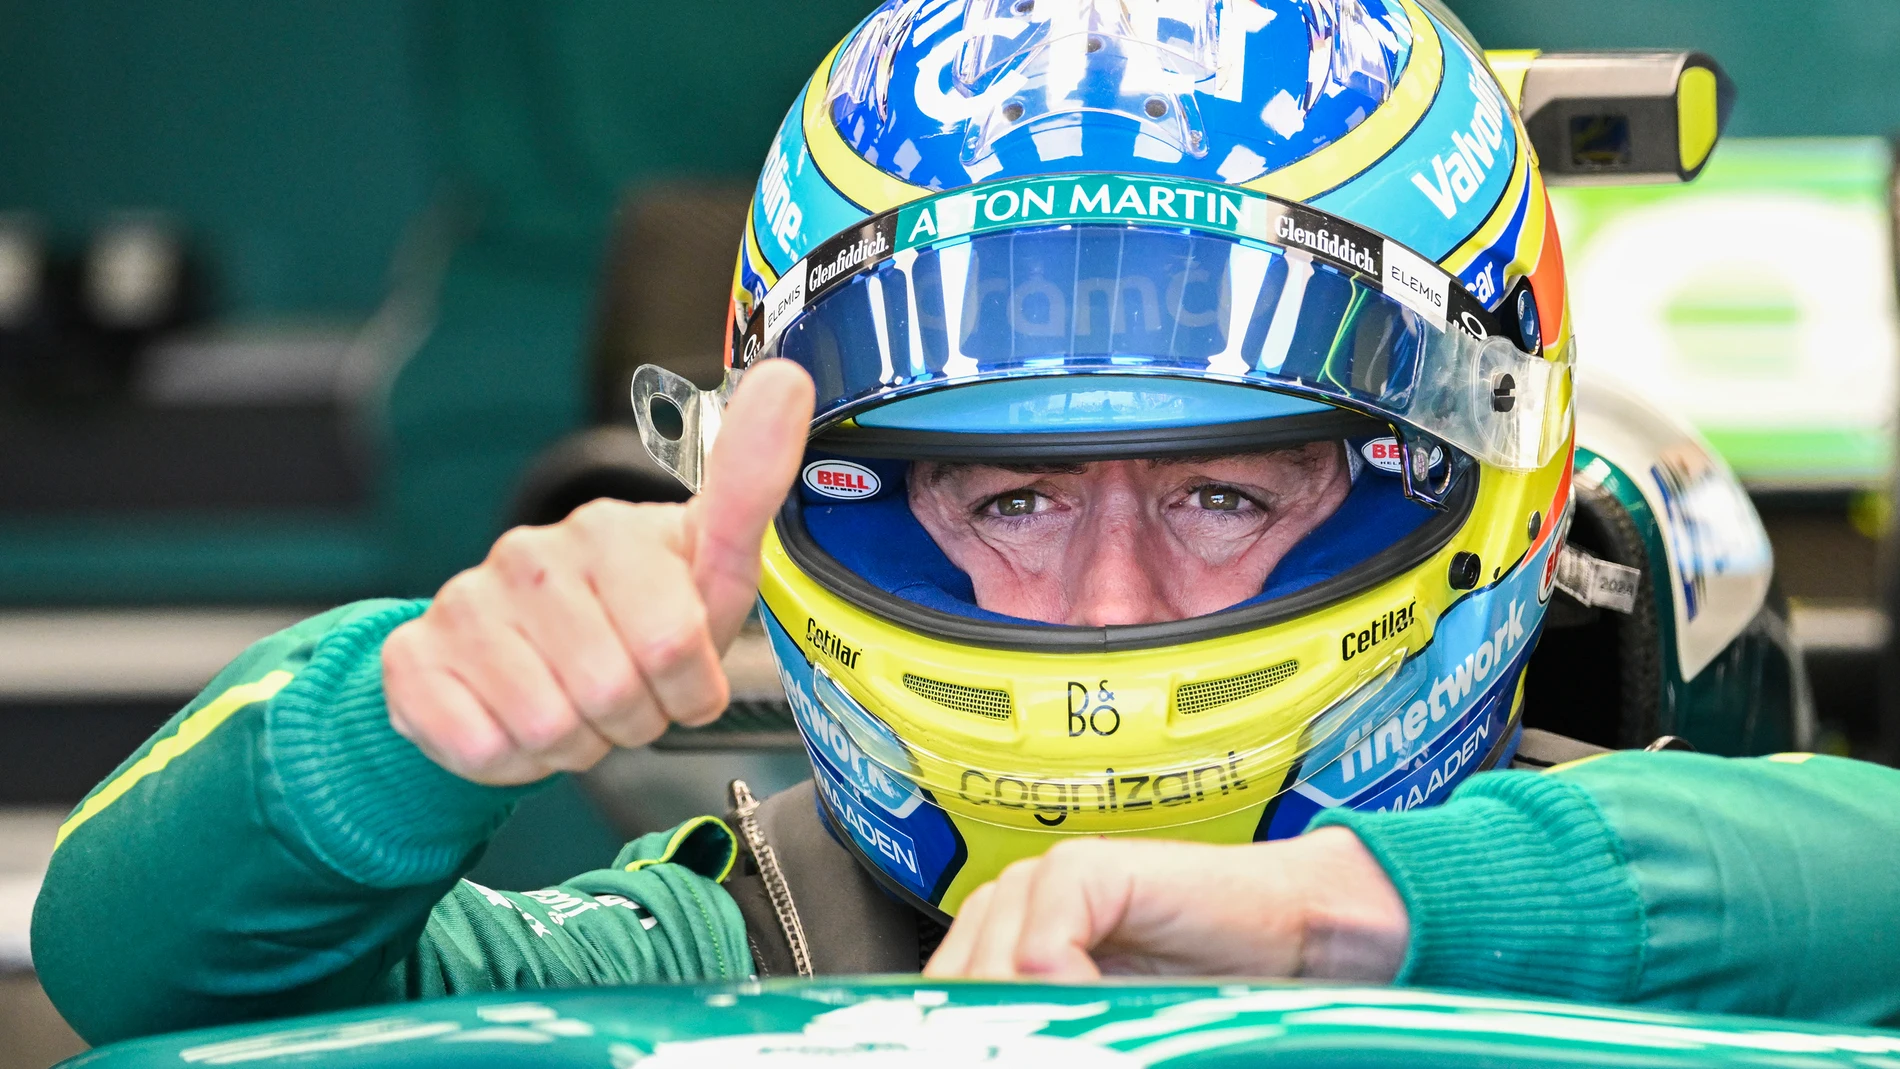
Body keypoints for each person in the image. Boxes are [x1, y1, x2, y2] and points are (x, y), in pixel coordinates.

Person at [34, 0, 1890, 1046]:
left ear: (1486, 491)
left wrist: (1352, 919)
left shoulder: (1671, 890)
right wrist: (397, 720)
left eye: (1228, 490)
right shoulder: (747, 949)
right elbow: (141, 974)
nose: (1105, 600)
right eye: (1005, 494)